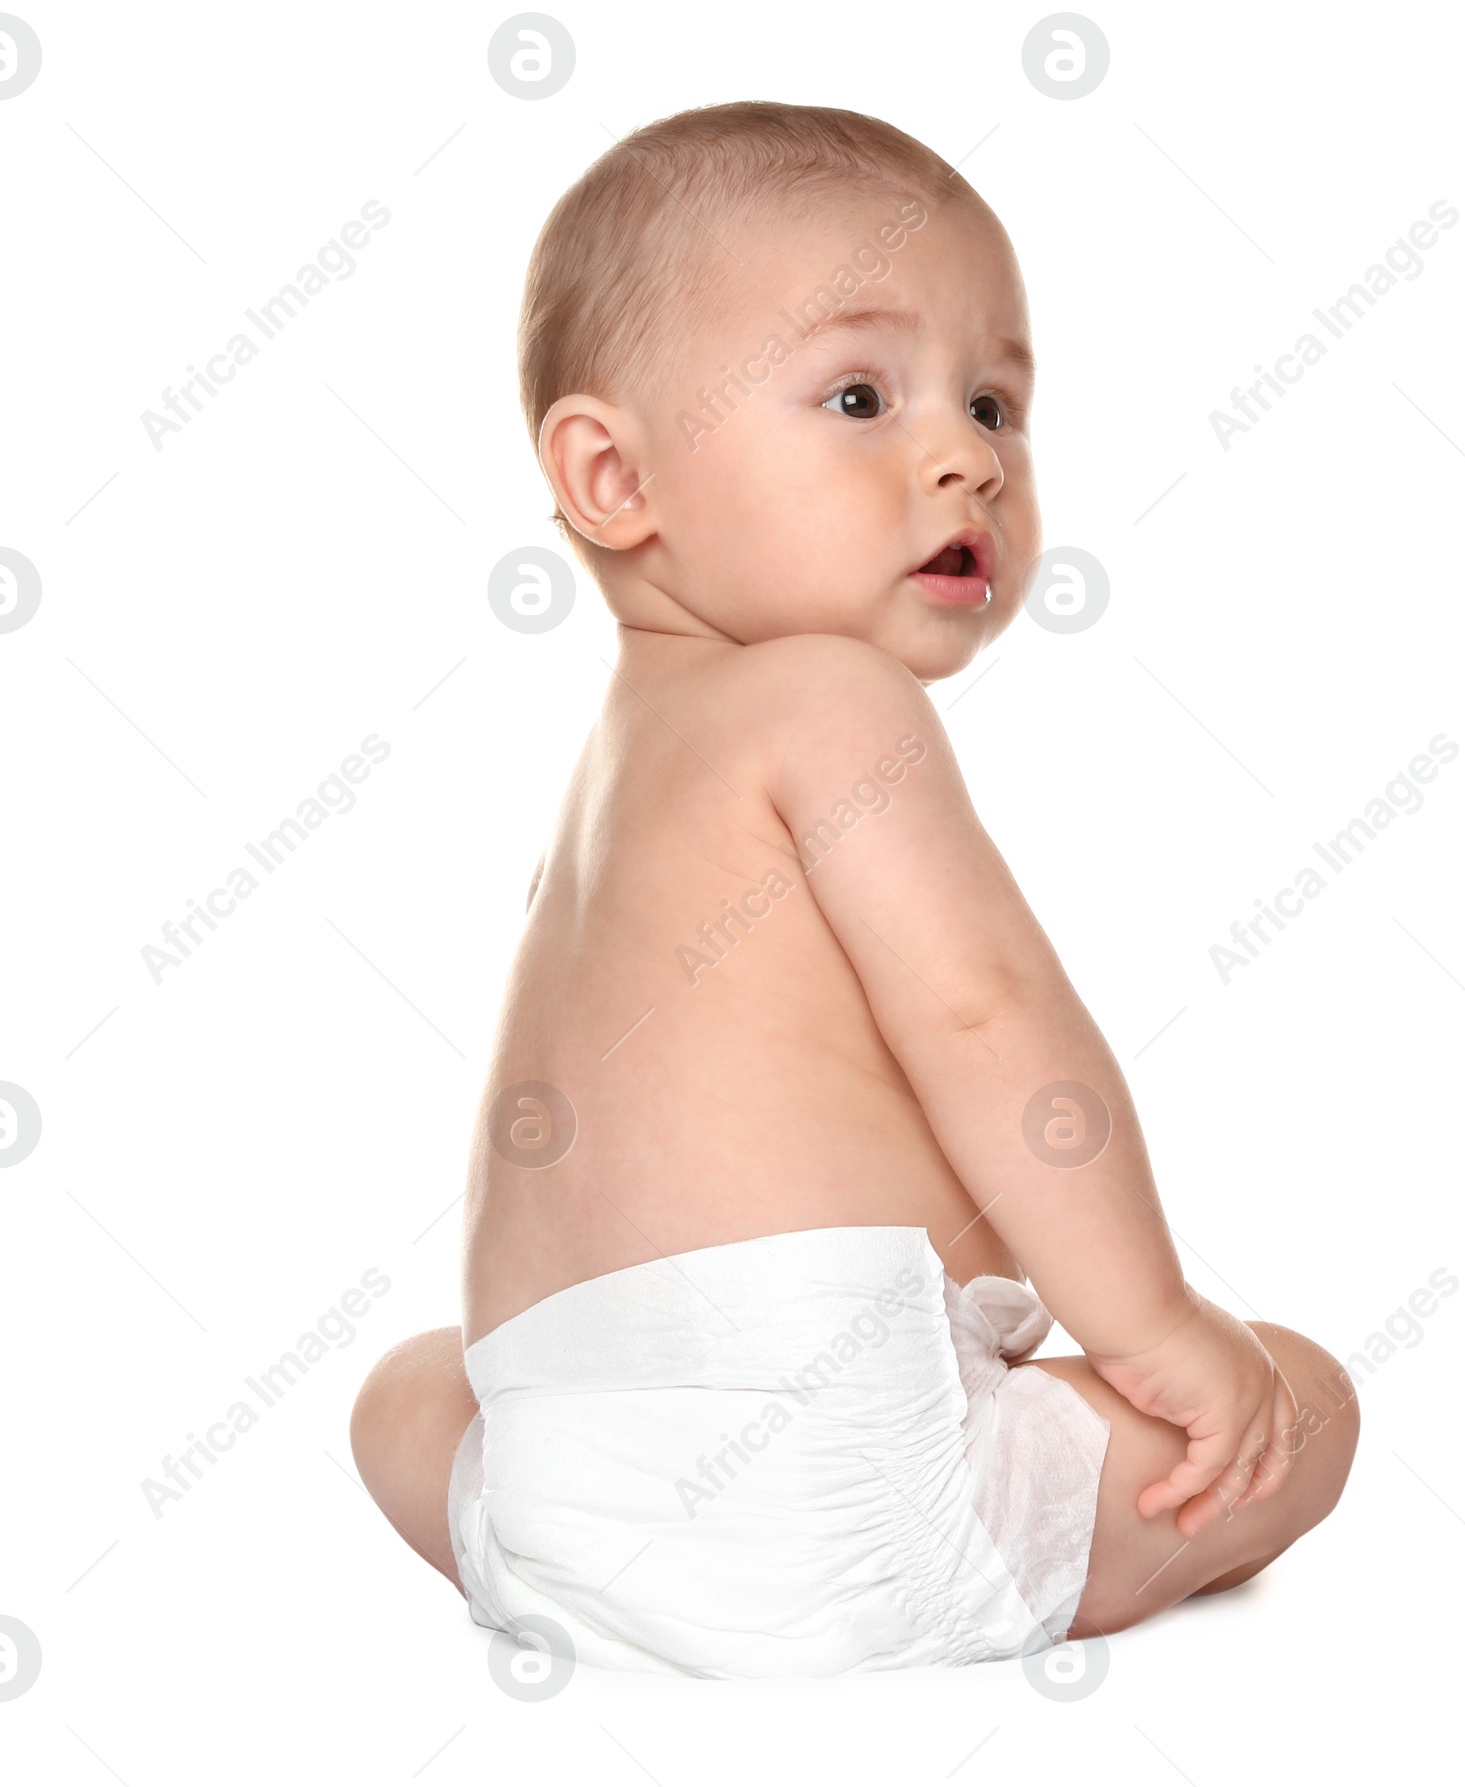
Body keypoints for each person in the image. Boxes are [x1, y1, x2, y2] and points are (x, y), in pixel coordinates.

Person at [350, 100, 1357, 1677]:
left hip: (559, 1505)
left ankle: (597, 1584)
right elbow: (987, 1023)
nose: (966, 456)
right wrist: (1155, 1325)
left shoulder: (616, 774)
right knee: (1302, 1401)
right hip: (843, 1501)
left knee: (404, 1396)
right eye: (862, 394)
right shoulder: (834, 704)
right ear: (613, 473)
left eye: (996, 405)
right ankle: (994, 1552)